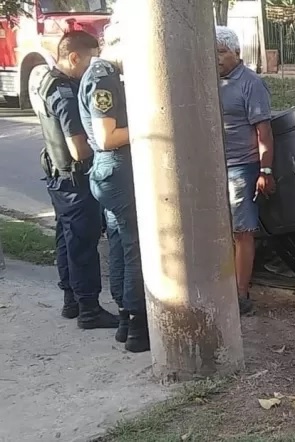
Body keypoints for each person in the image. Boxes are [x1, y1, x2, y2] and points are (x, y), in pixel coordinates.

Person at [31, 31, 119, 329]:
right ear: (73, 57)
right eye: (91, 60)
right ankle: (89, 310)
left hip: (59, 176)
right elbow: (79, 149)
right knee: (82, 243)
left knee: (67, 239)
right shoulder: (65, 93)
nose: (93, 68)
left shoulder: (49, 82)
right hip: (74, 179)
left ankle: (72, 300)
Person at [77, 16, 150, 353]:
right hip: (117, 169)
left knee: (121, 245)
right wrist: (150, 124)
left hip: (109, 174)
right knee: (136, 247)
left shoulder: (101, 74)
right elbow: (107, 137)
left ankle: (124, 319)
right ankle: (138, 325)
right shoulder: (103, 76)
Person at [215, 26, 276, 314]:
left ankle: (241, 295)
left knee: (243, 232)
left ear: (237, 53)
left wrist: (265, 170)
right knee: (218, 231)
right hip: (212, 169)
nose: (216, 58)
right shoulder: (209, 81)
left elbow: (264, 130)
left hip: (241, 168)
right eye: (211, 52)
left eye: (221, 52)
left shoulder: (251, 84)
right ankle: (222, 287)